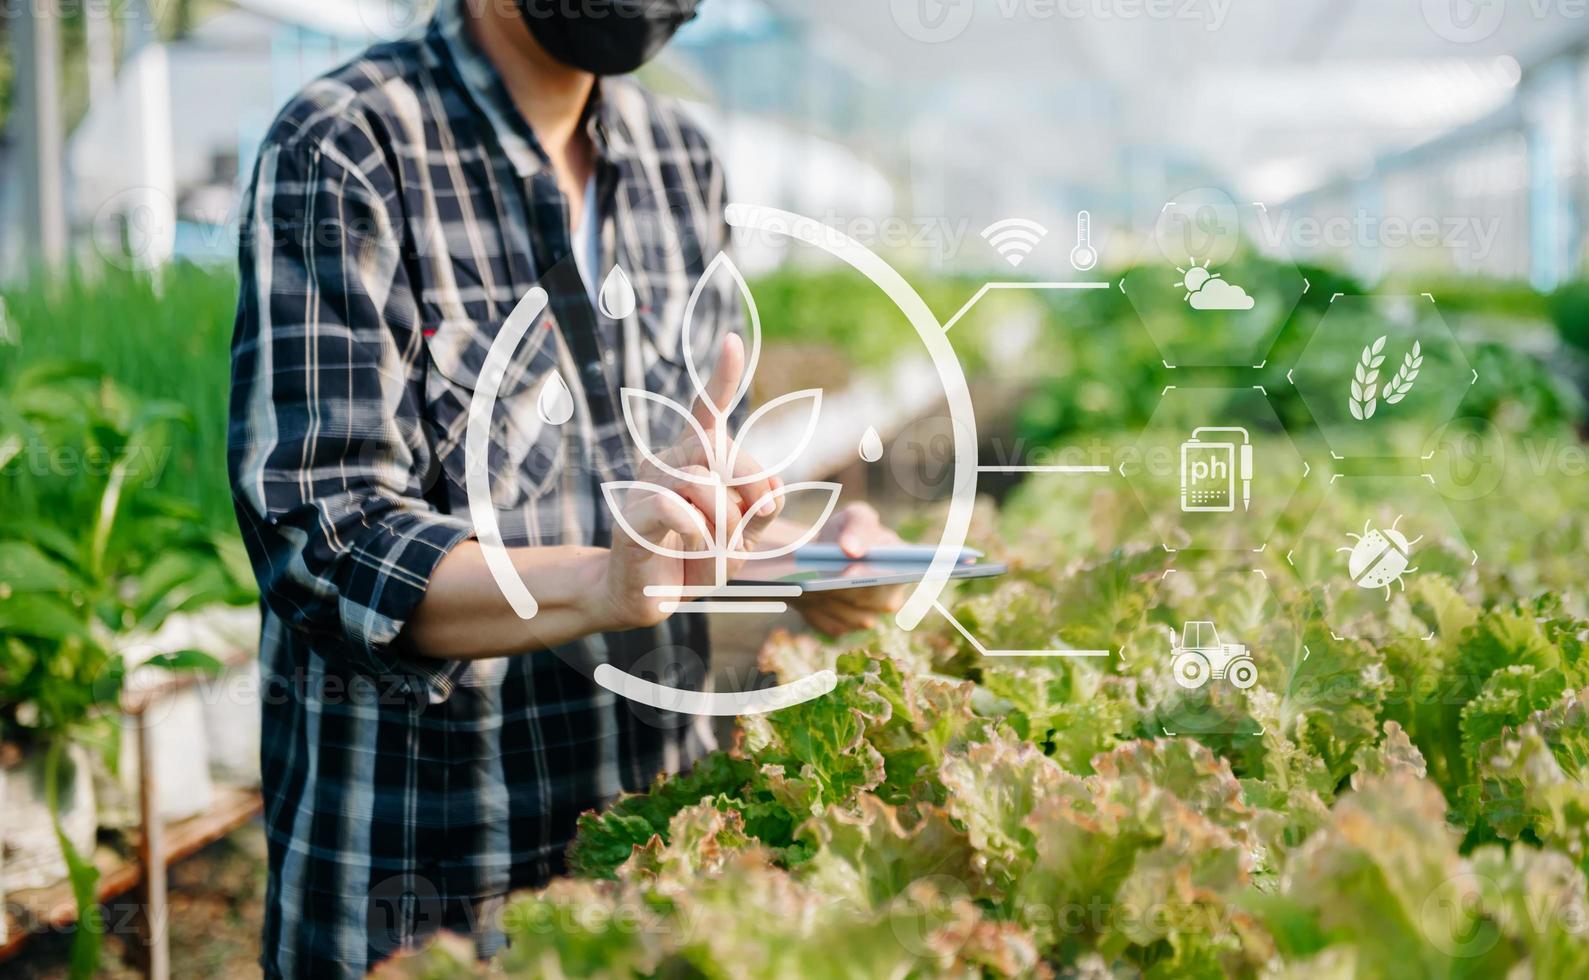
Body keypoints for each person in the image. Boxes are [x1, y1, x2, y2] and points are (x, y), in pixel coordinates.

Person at [227, 0, 902, 975]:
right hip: (427, 897)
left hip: (654, 876)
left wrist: (797, 557)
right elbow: (323, 535)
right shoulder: (349, 144)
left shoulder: (679, 161)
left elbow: (693, 493)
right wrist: (596, 584)